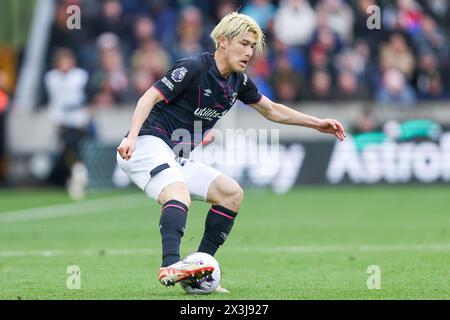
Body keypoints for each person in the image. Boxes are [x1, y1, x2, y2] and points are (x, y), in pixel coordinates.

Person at [116, 12, 346, 290]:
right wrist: (131, 136)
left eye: (253, 46)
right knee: (179, 194)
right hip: (145, 144)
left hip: (173, 154)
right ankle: (171, 265)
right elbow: (149, 96)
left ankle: (197, 270)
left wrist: (316, 123)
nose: (249, 52)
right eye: (244, 43)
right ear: (223, 42)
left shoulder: (239, 82)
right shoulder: (192, 67)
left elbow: (271, 110)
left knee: (231, 194)